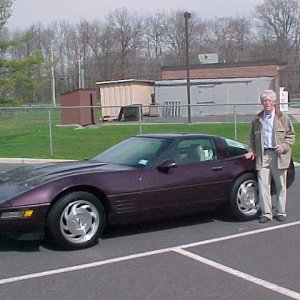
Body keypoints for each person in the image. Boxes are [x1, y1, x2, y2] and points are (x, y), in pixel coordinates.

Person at [245, 89, 295, 223]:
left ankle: (280, 212)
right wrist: (252, 151)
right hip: (263, 155)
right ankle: (267, 213)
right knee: (263, 185)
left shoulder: (282, 118)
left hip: (278, 156)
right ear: (262, 103)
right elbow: (252, 138)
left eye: (269, 100)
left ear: (274, 102)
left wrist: (283, 146)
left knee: (280, 185)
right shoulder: (257, 119)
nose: (267, 103)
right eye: (264, 101)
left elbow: (291, 136)